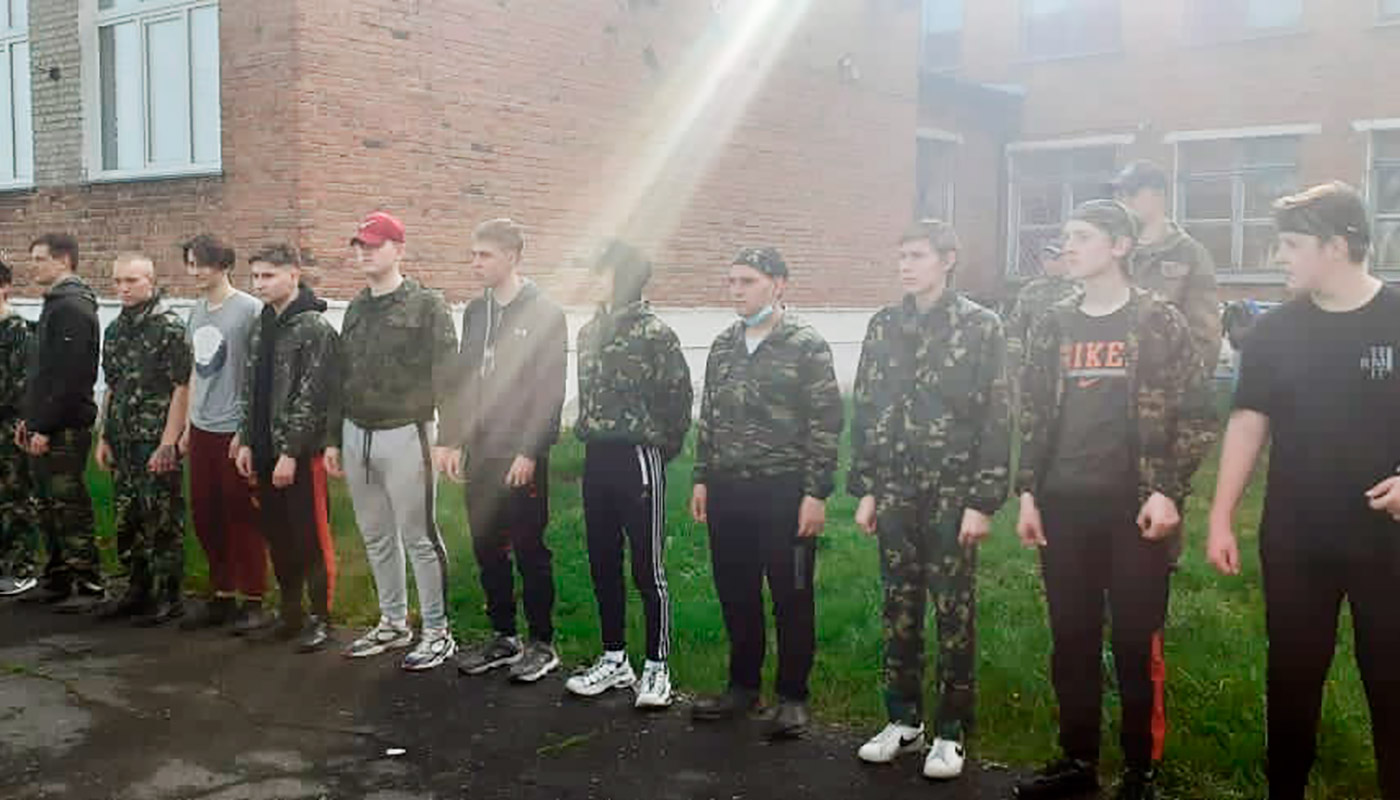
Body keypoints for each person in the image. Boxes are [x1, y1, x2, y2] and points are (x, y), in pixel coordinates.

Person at [1013, 201, 1215, 800]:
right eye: (1065, 236)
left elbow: (1198, 415)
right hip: (1063, 508)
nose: (1068, 247)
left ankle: (1138, 772)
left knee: (1133, 642)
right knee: (1071, 639)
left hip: (1136, 514)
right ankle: (1077, 761)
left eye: (1083, 236)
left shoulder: (1157, 321)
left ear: (1121, 245)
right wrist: (1028, 494)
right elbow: (1032, 414)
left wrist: (1168, 491)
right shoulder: (1052, 322)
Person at [1206, 182, 1400, 800]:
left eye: (1291, 244)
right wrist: (1221, 516)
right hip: (1295, 538)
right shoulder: (1275, 332)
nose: (1278, 257)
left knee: (1392, 679)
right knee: (1291, 676)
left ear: (1336, 245)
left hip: (1386, 541)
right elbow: (1247, 422)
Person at [849, 221, 1010, 779]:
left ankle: (951, 730)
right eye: (901, 256)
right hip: (896, 486)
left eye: (917, 255)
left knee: (952, 609)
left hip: (952, 490)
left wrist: (983, 500)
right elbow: (867, 407)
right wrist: (868, 487)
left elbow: (997, 417)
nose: (906, 266)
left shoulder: (981, 327)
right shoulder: (884, 325)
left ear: (948, 259)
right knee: (899, 604)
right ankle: (903, 719)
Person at [688, 247, 843, 740]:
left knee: (791, 594)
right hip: (728, 490)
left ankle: (793, 696)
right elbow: (710, 418)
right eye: (732, 281)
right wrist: (701, 477)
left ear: (778, 284)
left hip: (783, 491)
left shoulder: (806, 345)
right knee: (736, 591)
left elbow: (826, 425)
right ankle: (743, 687)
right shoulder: (723, 345)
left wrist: (816, 493)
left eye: (748, 281)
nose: (736, 290)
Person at [328, 212, 460, 671]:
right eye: (359, 246)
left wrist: (449, 438)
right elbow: (341, 377)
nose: (364, 253)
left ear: (398, 249)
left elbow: (448, 374)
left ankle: (438, 631)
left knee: (419, 536)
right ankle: (393, 622)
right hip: (356, 433)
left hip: (407, 432)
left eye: (374, 245)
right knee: (376, 535)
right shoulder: (356, 308)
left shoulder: (427, 305)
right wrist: (333, 438)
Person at [565, 240, 692, 708]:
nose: (593, 279)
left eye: (601, 271)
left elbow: (678, 400)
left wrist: (657, 448)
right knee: (602, 561)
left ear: (623, 277)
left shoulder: (656, 334)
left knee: (647, 568)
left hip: (638, 459)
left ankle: (657, 668)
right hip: (596, 458)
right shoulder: (588, 332)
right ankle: (615, 658)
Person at [440, 218, 567, 684]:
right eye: (472, 255)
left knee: (529, 546)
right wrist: (453, 439)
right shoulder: (477, 312)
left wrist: (529, 451)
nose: (475, 264)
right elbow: (463, 378)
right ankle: (503, 636)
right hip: (481, 451)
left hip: (520, 453)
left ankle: (542, 642)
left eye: (485, 255)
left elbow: (549, 390)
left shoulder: (545, 313)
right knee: (486, 544)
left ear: (512, 257)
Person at [234, 245, 339, 653]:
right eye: (256, 276)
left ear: (294, 275)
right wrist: (246, 438)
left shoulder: (314, 328)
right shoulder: (262, 323)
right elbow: (251, 385)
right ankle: (290, 612)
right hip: (263, 448)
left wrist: (291, 453)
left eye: (269, 276)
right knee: (277, 535)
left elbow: (313, 397)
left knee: (309, 536)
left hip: (299, 455)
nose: (260, 284)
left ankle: (321, 618)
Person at [178, 235, 272, 633]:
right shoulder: (197, 310)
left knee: (241, 514)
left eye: (202, 263)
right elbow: (195, 371)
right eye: (190, 264)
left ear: (223, 265)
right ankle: (222, 593)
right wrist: (187, 426)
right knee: (206, 513)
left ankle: (253, 599)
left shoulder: (249, 310)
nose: (195, 271)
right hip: (202, 427)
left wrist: (246, 430)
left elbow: (258, 372)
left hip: (233, 429)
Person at [93, 254, 192, 626]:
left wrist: (169, 442)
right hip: (123, 437)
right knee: (127, 518)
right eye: (117, 281)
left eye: (131, 281)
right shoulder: (115, 329)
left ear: (151, 280)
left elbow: (183, 386)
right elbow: (112, 386)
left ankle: (169, 595)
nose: (123, 288)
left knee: (161, 518)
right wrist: (104, 436)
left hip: (154, 438)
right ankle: (137, 590)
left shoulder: (169, 327)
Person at [20, 234, 102, 612]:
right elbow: (42, 373)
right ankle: (57, 578)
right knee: (47, 505)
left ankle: (88, 584)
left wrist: (45, 427)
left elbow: (70, 378)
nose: (33, 266)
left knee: (69, 507)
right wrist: (30, 419)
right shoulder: (56, 303)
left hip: (66, 427)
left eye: (40, 259)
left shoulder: (72, 307)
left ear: (64, 260)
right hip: (47, 423)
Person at [1115, 159, 1222, 376]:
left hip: (1162, 384)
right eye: (1120, 194)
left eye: (1131, 193)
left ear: (1158, 195)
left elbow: (1205, 337)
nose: (1123, 200)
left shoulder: (1190, 254)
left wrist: (1183, 387)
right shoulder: (1113, 251)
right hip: (1111, 381)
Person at [0, 261, 38, 597]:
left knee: (14, 498)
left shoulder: (18, 330)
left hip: (8, 427)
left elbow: (21, 387)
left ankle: (20, 568)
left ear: (5, 287)